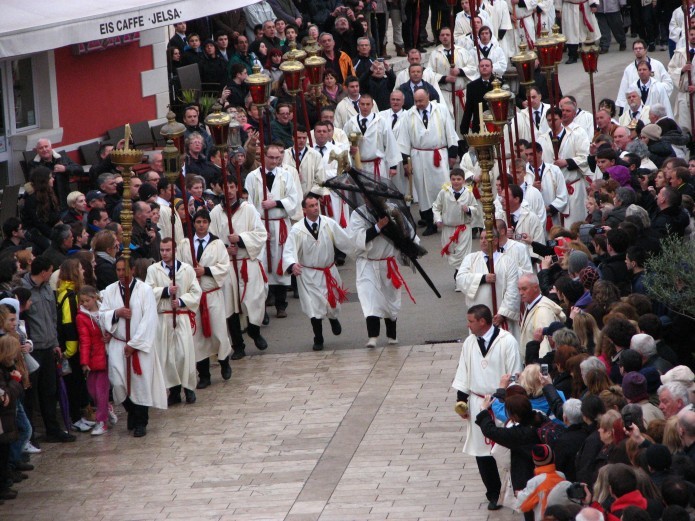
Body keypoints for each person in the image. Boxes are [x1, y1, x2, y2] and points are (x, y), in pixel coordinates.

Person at [452, 304, 522, 510]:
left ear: (482, 321)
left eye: (471, 321)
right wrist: (461, 402)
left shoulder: (507, 341)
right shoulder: (469, 343)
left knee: (508, 448)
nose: (468, 325)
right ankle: (493, 493)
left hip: (501, 402)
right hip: (477, 401)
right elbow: (463, 371)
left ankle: (515, 490)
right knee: (481, 450)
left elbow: (515, 373)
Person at [100, 257, 167, 437]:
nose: (121, 274)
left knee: (140, 383)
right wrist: (117, 313)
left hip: (139, 345)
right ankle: (131, 410)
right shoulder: (109, 290)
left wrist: (135, 343)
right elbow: (102, 314)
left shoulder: (144, 290)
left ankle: (141, 422)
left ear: (133, 270)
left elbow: (149, 319)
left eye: (124, 270)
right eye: (118, 270)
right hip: (118, 343)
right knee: (118, 381)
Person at [283, 194, 354, 351]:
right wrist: (292, 264)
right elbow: (288, 251)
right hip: (309, 274)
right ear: (304, 210)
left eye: (316, 204)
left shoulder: (328, 224)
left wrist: (359, 252)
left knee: (332, 302)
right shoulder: (297, 230)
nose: (315, 208)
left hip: (328, 270)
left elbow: (345, 240)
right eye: (311, 206)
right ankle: (318, 337)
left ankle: (333, 318)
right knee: (314, 307)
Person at [210, 176, 269, 359]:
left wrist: (242, 240)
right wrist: (225, 249)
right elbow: (212, 240)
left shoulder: (248, 209)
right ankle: (238, 345)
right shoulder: (216, 213)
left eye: (232, 186)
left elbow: (261, 234)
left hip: (246, 262)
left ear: (237, 188)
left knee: (254, 299)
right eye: (225, 187)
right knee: (230, 306)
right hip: (227, 265)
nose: (229, 191)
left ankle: (254, 330)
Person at [19, 255, 76, 442]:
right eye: (50, 271)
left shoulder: (47, 290)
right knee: (31, 393)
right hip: (32, 349)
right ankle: (30, 434)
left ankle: (53, 429)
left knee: (49, 391)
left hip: (48, 346)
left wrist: (56, 343)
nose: (52, 274)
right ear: (44, 272)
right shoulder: (22, 290)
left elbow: (53, 318)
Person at [348, 197, 417, 347]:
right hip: (368, 263)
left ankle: (392, 335)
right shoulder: (358, 214)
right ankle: (373, 336)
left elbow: (407, 232)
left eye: (371, 197)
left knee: (389, 300)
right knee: (369, 298)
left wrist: (398, 225)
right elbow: (356, 238)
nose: (368, 200)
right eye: (366, 197)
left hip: (387, 263)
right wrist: (377, 227)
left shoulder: (392, 210)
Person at [179, 209, 232, 389]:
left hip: (212, 294)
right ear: (193, 224)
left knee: (218, 331)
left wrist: (206, 271)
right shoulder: (185, 244)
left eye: (204, 222)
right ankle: (204, 373)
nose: (201, 225)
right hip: (194, 297)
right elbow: (180, 267)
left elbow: (224, 267)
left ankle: (224, 360)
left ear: (209, 223)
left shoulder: (217, 244)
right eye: (198, 222)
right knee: (198, 336)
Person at [245, 143, 299, 319]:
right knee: (262, 263)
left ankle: (281, 304)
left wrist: (275, 203)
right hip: (261, 224)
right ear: (264, 157)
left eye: (278, 157)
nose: (275, 161)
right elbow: (249, 203)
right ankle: (265, 302)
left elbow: (293, 199)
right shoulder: (253, 177)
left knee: (281, 263)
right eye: (271, 157)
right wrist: (258, 229)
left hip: (279, 224)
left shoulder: (286, 175)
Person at [145, 239, 201, 406]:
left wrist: (182, 301)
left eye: (168, 250)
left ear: (174, 250)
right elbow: (148, 291)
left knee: (184, 354)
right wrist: (165, 291)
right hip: (164, 318)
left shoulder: (186, 269)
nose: (164, 253)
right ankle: (174, 390)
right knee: (167, 356)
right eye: (162, 250)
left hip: (181, 317)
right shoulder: (153, 270)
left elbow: (196, 291)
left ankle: (189, 388)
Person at [398, 88, 459, 236]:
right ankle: (430, 221)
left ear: (428, 97)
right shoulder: (408, 115)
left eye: (421, 100)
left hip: (438, 154)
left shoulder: (441, 110)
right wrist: (406, 162)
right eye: (416, 101)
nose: (418, 104)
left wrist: (452, 154)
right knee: (423, 190)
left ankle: (449, 219)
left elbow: (450, 132)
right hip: (419, 156)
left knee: (443, 187)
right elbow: (404, 140)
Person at [456, 230, 521, 337]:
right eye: (481, 238)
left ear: (495, 240)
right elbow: (461, 279)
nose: (483, 241)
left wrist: (503, 313)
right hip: (478, 316)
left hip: (499, 315)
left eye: (486, 238)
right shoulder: (471, 259)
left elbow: (513, 290)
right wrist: (483, 278)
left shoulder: (507, 261)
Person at [537, 105, 591, 228]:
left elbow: (584, 157)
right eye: (549, 120)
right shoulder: (542, 139)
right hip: (552, 188)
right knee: (555, 226)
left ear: (561, 119)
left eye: (555, 119)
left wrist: (567, 162)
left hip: (572, 185)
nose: (552, 123)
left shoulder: (575, 135)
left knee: (574, 224)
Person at [76, 286, 113, 436]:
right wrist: (84, 362)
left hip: (106, 354)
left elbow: (115, 327)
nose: (85, 303)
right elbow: (84, 340)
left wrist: (110, 336)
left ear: (95, 298)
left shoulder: (106, 311)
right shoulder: (81, 317)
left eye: (88, 300)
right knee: (92, 390)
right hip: (93, 356)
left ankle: (101, 421)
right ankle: (106, 409)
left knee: (101, 390)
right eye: (82, 301)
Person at [428, 27, 476, 135]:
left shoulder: (462, 51)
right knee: (449, 121)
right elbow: (429, 74)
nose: (445, 37)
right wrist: (445, 78)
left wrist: (460, 71)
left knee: (464, 121)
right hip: (445, 94)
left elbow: (473, 68)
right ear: (439, 37)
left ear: (452, 36)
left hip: (461, 94)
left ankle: (464, 144)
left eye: (447, 35)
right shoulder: (435, 54)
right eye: (442, 35)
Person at [343, 93, 401, 182]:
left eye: (368, 104)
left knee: (378, 194)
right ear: (358, 104)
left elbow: (390, 143)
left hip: (376, 165)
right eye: (362, 104)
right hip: (358, 165)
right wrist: (349, 148)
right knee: (360, 194)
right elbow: (343, 142)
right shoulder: (351, 123)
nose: (365, 107)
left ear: (372, 105)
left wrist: (393, 166)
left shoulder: (381, 121)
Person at [432, 168, 478, 275]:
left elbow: (475, 207)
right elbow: (436, 207)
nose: (456, 182)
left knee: (463, 254)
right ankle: (459, 273)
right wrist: (438, 219)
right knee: (451, 252)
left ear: (463, 180)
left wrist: (469, 209)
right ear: (450, 180)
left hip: (464, 228)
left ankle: (459, 276)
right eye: (453, 179)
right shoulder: (444, 192)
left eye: (459, 179)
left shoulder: (468, 193)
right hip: (448, 228)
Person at [518, 273, 567, 363]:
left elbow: (546, 345)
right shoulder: (531, 305)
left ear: (536, 287)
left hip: (537, 366)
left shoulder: (543, 311)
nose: (520, 293)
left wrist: (540, 370)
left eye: (524, 289)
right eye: (519, 289)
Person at [29, 139, 83, 211]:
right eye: (41, 148)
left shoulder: (62, 158)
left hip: (64, 197)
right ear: (37, 151)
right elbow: (33, 180)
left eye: (46, 146)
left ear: (51, 147)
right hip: (46, 200)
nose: (44, 150)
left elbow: (80, 169)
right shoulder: (33, 164)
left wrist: (65, 168)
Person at [516, 444, 566, 519]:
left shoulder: (535, 482)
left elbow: (523, 505)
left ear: (534, 461)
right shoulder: (561, 476)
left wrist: (519, 494)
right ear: (553, 457)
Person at [460, 58, 495, 134]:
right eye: (482, 66)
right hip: (479, 126)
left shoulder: (499, 83)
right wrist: (464, 129)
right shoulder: (472, 86)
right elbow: (468, 109)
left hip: (496, 124)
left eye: (487, 65)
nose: (484, 67)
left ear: (492, 68)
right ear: (478, 68)